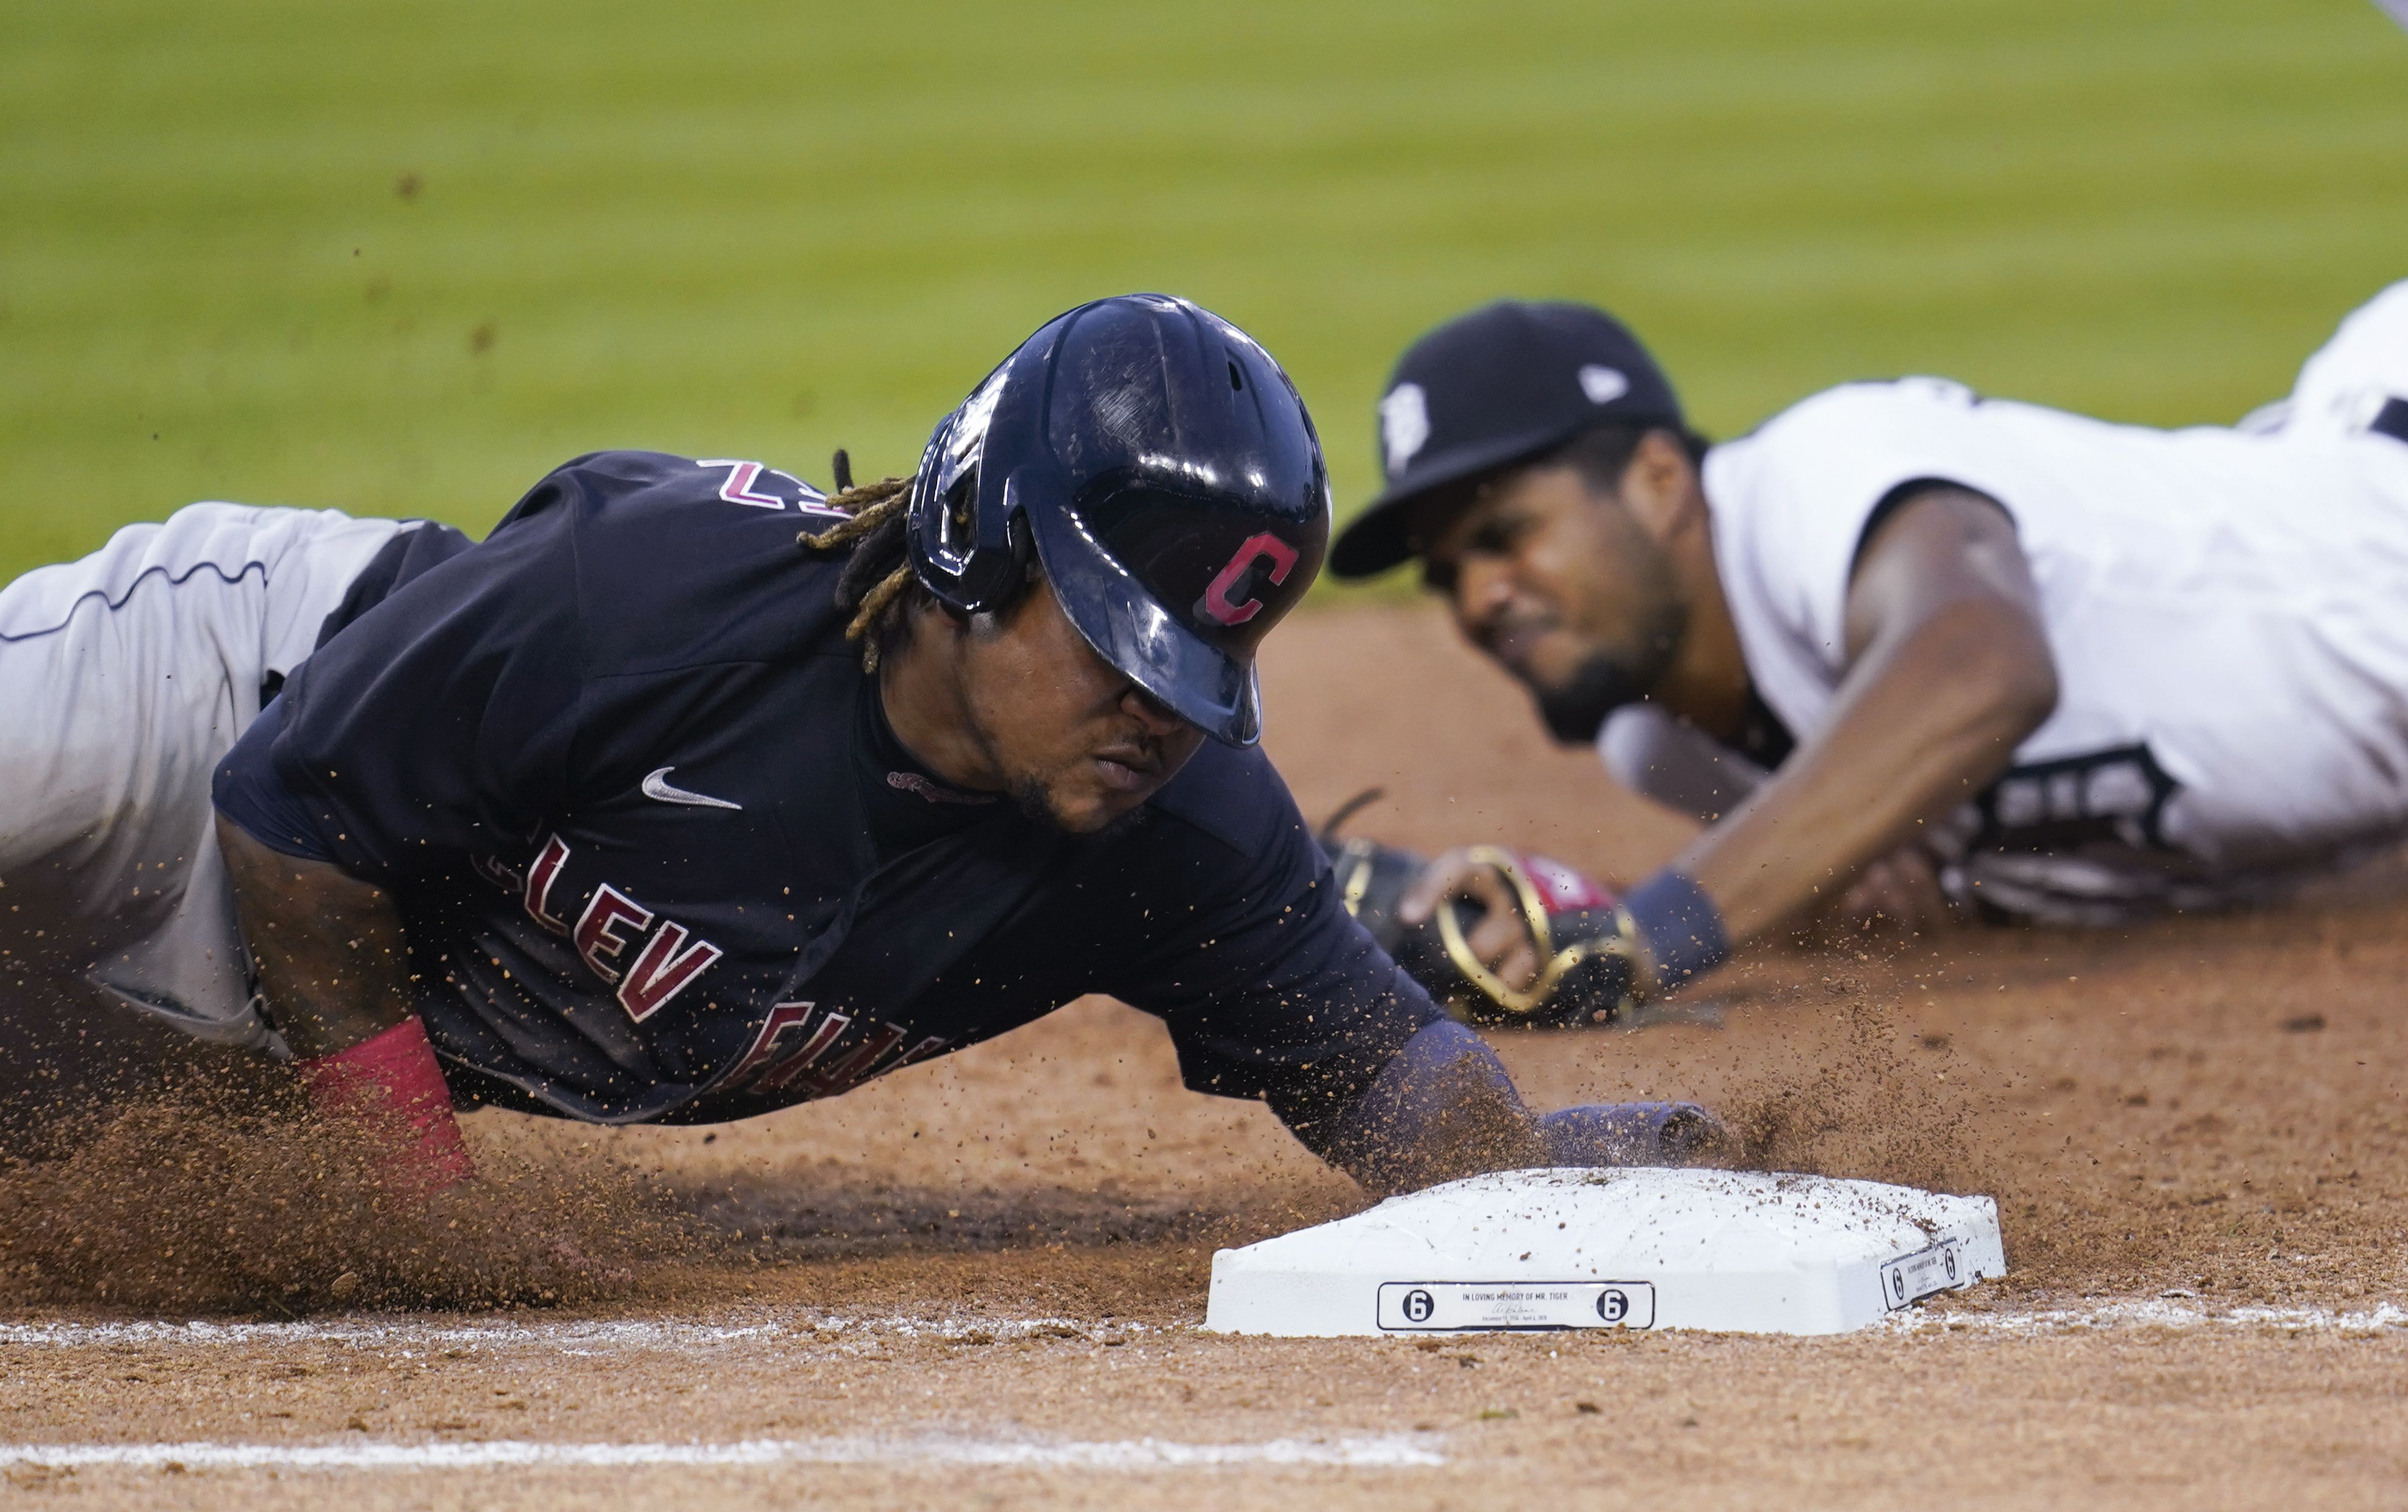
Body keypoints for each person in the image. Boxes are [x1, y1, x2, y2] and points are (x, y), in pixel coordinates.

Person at [0, 293, 1719, 1192]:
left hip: (296, 1017)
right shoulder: (649, 592)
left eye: (1201, 681)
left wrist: (1544, 1168)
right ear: (976, 540)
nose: (1157, 722)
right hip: (208, 706)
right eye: (1121, 655)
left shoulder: (1172, 834)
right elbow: (296, 819)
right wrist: (414, 1204)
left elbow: (1385, 1078)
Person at [1317, 1, 2408, 1028]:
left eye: (1507, 533)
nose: (1479, 596)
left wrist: (1649, 933)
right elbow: (1855, 834)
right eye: (1444, 576)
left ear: (1663, 482)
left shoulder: (1819, 479)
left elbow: (1982, 664)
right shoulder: (1672, 751)